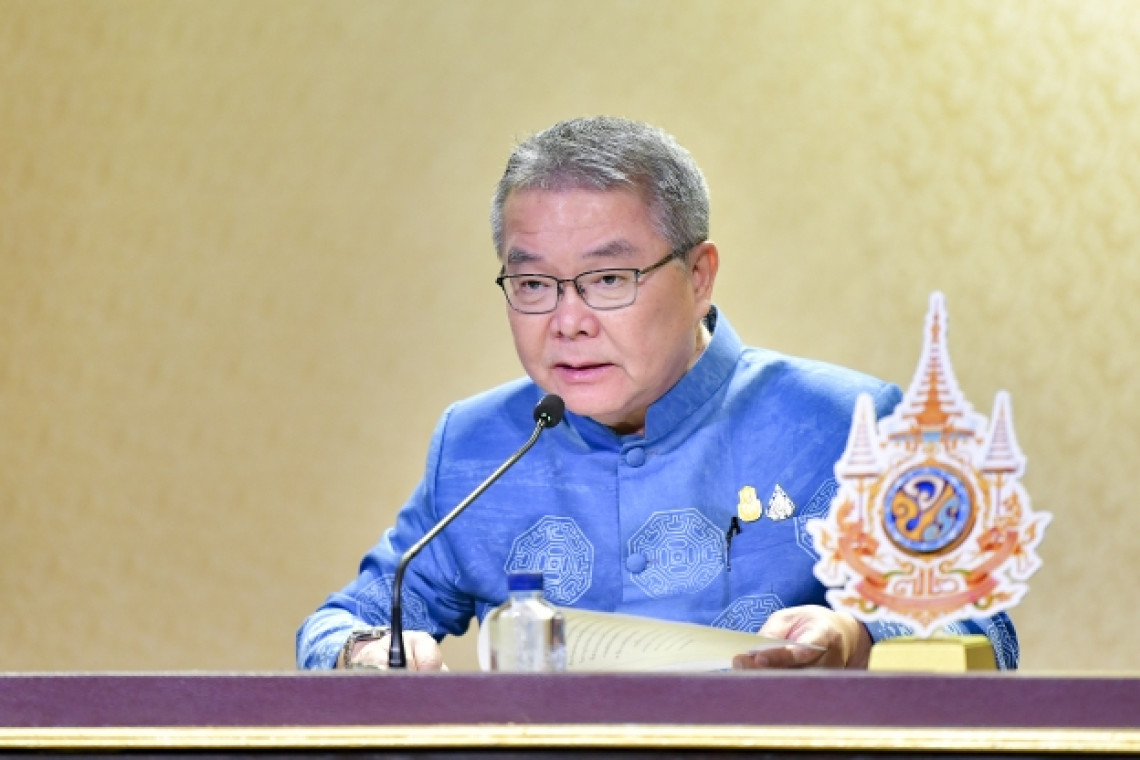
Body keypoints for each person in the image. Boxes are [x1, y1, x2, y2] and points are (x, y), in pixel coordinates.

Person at [296, 116, 1019, 672]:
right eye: (533, 283)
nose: (568, 321)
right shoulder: (479, 443)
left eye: (610, 279)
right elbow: (341, 623)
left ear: (699, 275)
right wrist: (364, 653)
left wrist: (854, 636)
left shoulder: (847, 425)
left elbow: (984, 632)